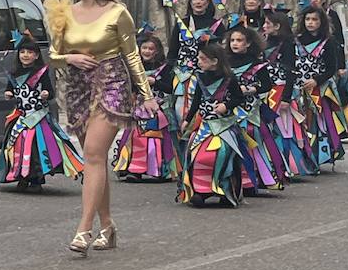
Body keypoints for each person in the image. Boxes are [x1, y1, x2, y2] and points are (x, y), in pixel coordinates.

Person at [44, 0, 160, 255]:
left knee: (94, 152)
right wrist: (70, 57)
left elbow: (132, 57)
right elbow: (52, 57)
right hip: (77, 87)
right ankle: (108, 226)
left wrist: (146, 94)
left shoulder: (117, 13)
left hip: (111, 83)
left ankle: (83, 230)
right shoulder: (65, 11)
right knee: (95, 158)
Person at [0, 32, 84, 190]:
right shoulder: (15, 73)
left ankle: (36, 179)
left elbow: (50, 92)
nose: (25, 55)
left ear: (36, 55)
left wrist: (46, 94)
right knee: (16, 147)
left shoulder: (41, 73)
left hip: (38, 118)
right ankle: (20, 177)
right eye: (22, 52)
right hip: (21, 117)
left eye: (29, 52)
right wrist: (8, 93)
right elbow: (10, 89)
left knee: (36, 148)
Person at [178, 41, 251, 208]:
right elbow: (196, 102)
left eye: (203, 59)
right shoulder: (200, 78)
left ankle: (226, 192)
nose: (199, 61)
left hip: (224, 126)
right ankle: (201, 191)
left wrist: (227, 105)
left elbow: (239, 98)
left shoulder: (229, 79)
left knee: (222, 155)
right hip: (204, 127)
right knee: (198, 156)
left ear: (214, 61)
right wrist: (187, 120)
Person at [113, 29, 180, 183]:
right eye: (144, 48)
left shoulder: (165, 68)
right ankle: (134, 169)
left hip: (159, 109)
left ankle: (158, 169)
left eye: (151, 49)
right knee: (136, 137)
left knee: (156, 138)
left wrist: (155, 82)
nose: (147, 51)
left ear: (157, 51)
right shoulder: (133, 67)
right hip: (138, 109)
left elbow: (170, 88)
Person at [225, 25, 283, 195]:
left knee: (252, 143)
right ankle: (231, 179)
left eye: (239, 40)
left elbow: (266, 85)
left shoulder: (258, 64)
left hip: (250, 111)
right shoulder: (224, 62)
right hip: (229, 110)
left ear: (248, 43)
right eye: (232, 40)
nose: (235, 44)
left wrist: (250, 90)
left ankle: (252, 179)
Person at [261, 9, 316, 179]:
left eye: (268, 24)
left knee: (284, 129)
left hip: (280, 91)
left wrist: (286, 97)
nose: (264, 26)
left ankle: (287, 164)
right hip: (266, 91)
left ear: (277, 26)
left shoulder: (288, 44)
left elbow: (291, 71)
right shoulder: (264, 41)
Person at [294, 5, 345, 170]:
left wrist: (316, 80)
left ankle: (318, 155)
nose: (310, 23)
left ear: (321, 22)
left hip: (319, 89)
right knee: (301, 123)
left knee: (317, 124)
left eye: (314, 19)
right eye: (308, 19)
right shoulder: (296, 39)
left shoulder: (328, 42)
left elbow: (331, 68)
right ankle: (302, 157)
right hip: (299, 88)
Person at [168, 0, 226, 127]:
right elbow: (173, 50)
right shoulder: (182, 23)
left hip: (208, 75)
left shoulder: (217, 25)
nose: (198, 2)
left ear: (207, 3)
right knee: (179, 109)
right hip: (183, 76)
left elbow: (222, 52)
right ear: (190, 3)